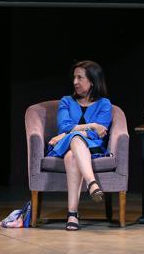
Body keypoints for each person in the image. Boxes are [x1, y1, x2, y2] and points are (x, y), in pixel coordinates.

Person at [47, 60, 112, 231]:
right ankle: (92, 183)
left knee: (72, 154)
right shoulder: (66, 101)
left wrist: (66, 135)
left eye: (80, 78)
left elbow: (100, 132)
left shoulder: (104, 104)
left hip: (92, 148)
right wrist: (91, 126)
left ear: (92, 81)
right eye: (74, 78)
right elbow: (65, 126)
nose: (75, 82)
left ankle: (72, 214)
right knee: (74, 140)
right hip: (64, 147)